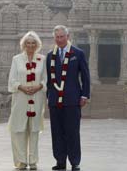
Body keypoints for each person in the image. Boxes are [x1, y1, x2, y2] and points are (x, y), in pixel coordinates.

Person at [46, 25, 90, 171]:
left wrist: (85, 94)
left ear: (68, 37)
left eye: (62, 37)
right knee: (56, 132)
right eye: (57, 37)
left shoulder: (78, 53)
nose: (59, 40)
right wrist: (48, 96)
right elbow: (48, 79)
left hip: (72, 99)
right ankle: (60, 161)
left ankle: (75, 161)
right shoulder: (49, 56)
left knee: (72, 131)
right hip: (55, 100)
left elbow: (85, 76)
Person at [8, 31, 47, 170]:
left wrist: (39, 86)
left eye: (33, 43)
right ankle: (21, 161)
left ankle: (33, 161)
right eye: (28, 43)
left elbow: (46, 78)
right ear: (23, 45)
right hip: (20, 98)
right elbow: (12, 80)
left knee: (34, 130)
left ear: (37, 45)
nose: (30, 45)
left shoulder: (42, 59)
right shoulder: (17, 59)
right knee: (19, 130)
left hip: (36, 98)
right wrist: (21, 87)